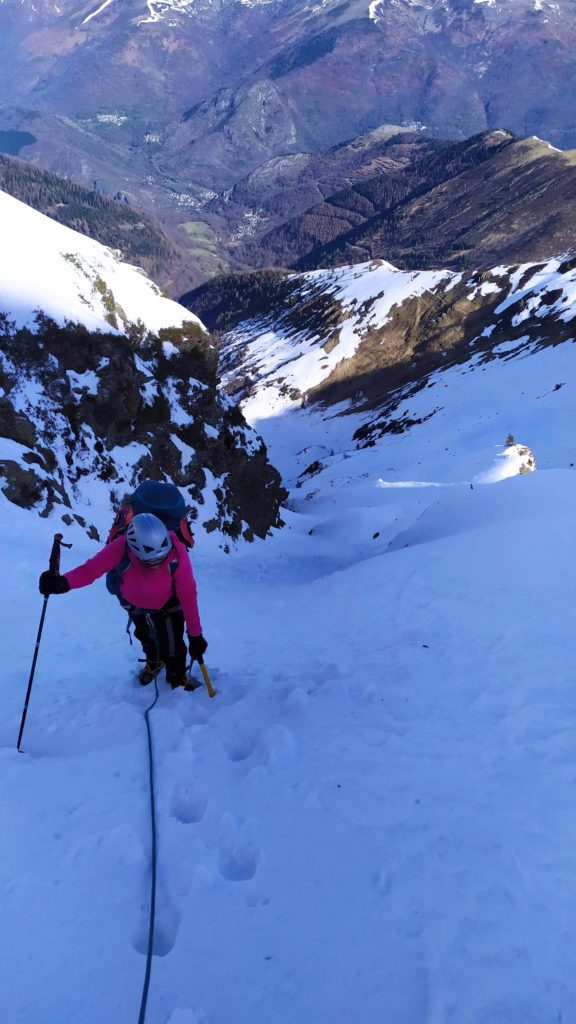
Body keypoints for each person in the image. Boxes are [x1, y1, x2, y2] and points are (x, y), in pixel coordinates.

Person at [39, 513, 208, 690]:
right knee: (145, 635)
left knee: (173, 645)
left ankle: (177, 677)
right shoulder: (121, 547)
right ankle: (155, 661)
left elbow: (188, 593)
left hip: (167, 603)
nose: (158, 565)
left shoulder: (176, 551)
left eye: (161, 559)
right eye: (151, 562)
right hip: (134, 601)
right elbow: (90, 571)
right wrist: (62, 584)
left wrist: (195, 635)